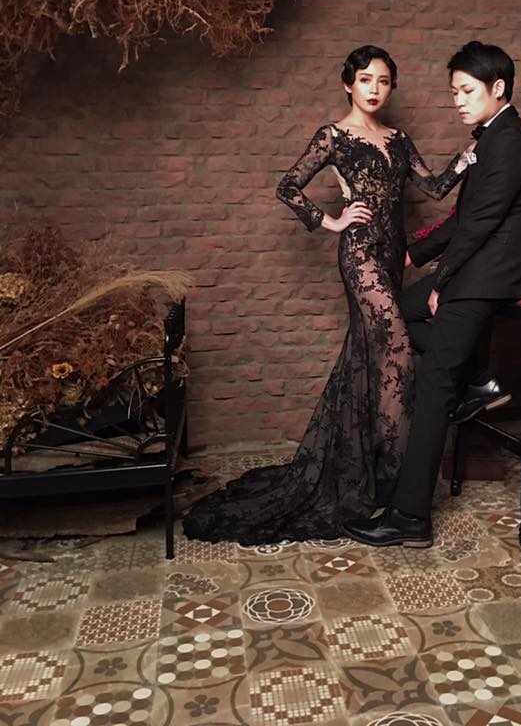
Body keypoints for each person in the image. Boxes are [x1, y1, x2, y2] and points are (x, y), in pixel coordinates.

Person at [183, 44, 472, 545]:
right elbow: (288, 186)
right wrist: (331, 220)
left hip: (392, 257)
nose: (375, 89)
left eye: (383, 81)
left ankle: (374, 475)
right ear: (348, 84)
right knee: (399, 352)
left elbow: (435, 187)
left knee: (375, 360)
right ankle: (398, 483)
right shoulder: (334, 136)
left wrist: (470, 157)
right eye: (365, 80)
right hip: (359, 256)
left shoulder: (399, 139)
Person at [344, 40, 521, 549]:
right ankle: (477, 380)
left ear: (498, 88)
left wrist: (442, 282)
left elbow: (479, 224)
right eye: (454, 92)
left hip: (495, 274)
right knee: (392, 314)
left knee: (436, 380)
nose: (457, 101)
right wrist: (414, 255)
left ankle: (409, 517)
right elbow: (465, 218)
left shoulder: (509, 141)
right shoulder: (493, 136)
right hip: (478, 268)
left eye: (466, 91)